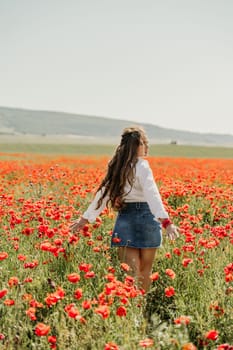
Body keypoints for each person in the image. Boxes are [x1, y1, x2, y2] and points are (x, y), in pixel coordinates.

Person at [70, 126, 179, 292]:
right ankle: (140, 309)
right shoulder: (142, 166)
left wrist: (84, 219)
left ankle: (133, 312)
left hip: (126, 220)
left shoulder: (118, 167)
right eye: (144, 143)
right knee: (145, 271)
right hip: (148, 220)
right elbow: (152, 195)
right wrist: (166, 222)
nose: (147, 147)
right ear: (136, 145)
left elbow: (102, 195)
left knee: (130, 274)